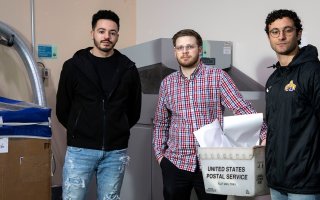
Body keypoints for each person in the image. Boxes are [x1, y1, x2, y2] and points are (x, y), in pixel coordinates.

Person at [153, 29, 267, 200]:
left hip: (213, 163)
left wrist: (263, 133)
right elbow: (161, 122)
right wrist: (160, 155)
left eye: (190, 46)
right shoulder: (167, 84)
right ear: (174, 51)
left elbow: (241, 108)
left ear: (200, 49)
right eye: (180, 47)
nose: (184, 51)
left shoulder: (218, 77)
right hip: (175, 162)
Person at [56, 10, 141, 200]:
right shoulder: (73, 66)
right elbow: (63, 108)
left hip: (115, 152)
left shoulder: (128, 68)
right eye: (101, 31)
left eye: (112, 32)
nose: (107, 37)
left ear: (117, 35)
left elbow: (134, 110)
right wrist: (78, 130)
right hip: (80, 150)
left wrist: (118, 130)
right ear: (92, 33)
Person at [264, 9, 320, 200]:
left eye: (287, 30)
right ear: (268, 36)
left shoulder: (313, 72)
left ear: (299, 33)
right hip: (277, 180)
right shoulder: (273, 80)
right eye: (275, 32)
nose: (281, 36)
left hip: (306, 182)